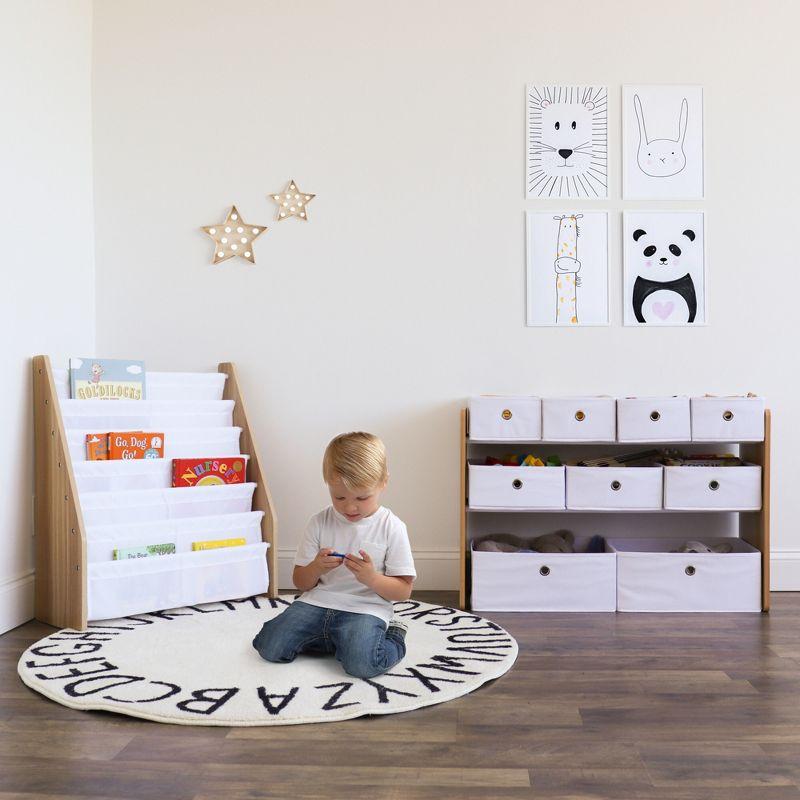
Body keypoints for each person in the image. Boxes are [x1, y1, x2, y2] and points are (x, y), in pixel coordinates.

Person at [252, 432, 416, 678]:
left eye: (362, 497)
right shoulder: (319, 522)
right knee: (269, 646)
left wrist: (372, 579)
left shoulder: (391, 527)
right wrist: (316, 567)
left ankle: (393, 635)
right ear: (328, 484)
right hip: (317, 603)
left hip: (365, 609)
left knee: (363, 665)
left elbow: (403, 591)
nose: (350, 507)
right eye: (339, 497)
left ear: (383, 482)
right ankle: (336, 641)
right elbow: (300, 582)